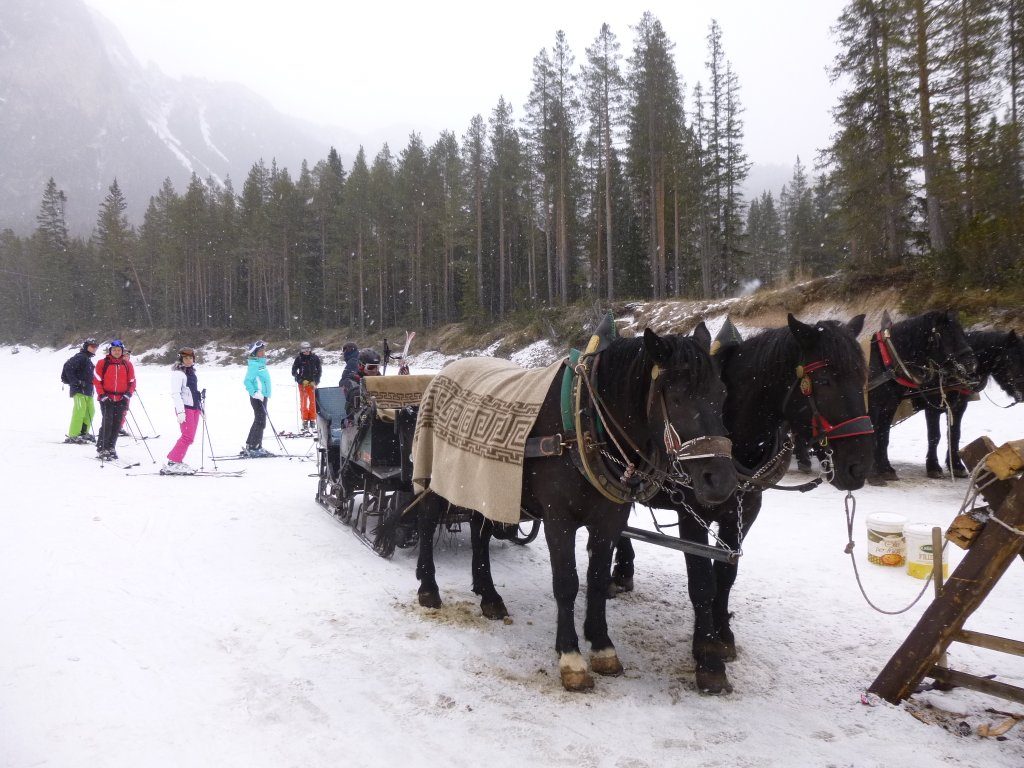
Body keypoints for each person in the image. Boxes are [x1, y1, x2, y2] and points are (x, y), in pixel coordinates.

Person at [93, 339, 136, 460]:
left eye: (119, 350)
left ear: (122, 351)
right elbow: (97, 380)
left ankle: (111, 447)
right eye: (114, 350)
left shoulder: (127, 364)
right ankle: (102, 448)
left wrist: (128, 394)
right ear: (110, 351)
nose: (116, 352)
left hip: (122, 398)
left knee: (117, 424)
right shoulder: (102, 363)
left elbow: (132, 381)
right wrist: (102, 395)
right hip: (107, 398)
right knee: (107, 423)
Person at [163, 347, 201, 475]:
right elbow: (176, 394)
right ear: (181, 359)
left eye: (191, 358)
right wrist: (180, 412)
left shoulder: (191, 372)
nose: (189, 360)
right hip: (185, 409)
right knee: (187, 437)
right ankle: (173, 462)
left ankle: (176, 460)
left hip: (194, 408)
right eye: (185, 358)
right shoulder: (178, 374)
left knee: (190, 438)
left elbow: (192, 391)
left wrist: (200, 405)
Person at [62, 338, 98, 443]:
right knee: (80, 411)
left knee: (90, 411)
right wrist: (76, 382)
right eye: (92, 346)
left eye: (95, 347)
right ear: (86, 346)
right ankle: (73, 434)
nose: (94, 348)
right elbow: (68, 368)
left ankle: (83, 432)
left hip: (88, 390)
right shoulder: (80, 357)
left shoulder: (87, 359)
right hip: (79, 390)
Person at [243, 340, 272, 457]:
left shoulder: (261, 364)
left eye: (263, 350)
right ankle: (254, 446)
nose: (263, 352)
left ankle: (252, 444)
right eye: (260, 351)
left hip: (263, 396)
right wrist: (255, 393)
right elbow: (247, 381)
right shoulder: (254, 365)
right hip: (257, 397)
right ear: (254, 353)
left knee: (259, 420)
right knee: (260, 421)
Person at [291, 341, 322, 430]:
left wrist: (316, 381)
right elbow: (294, 371)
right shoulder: (299, 359)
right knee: (304, 402)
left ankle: (312, 419)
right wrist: (300, 380)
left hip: (312, 383)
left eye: (308, 349)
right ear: (301, 350)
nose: (307, 351)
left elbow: (319, 370)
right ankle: (305, 420)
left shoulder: (315, 358)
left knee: (313, 402)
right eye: (304, 349)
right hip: (303, 384)